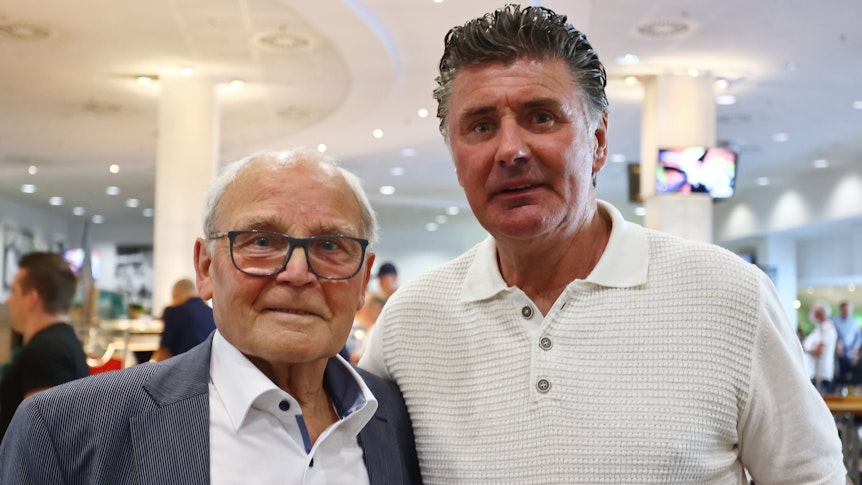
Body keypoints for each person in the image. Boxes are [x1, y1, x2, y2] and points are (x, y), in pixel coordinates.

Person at [359, 4, 845, 483]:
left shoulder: (730, 297)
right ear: (455, 156)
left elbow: (810, 476)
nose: (510, 150)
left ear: (599, 140)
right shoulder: (409, 323)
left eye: (542, 117)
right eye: (481, 126)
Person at [0, 149, 422, 484]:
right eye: (261, 241)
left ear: (363, 279)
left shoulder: (399, 419)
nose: (297, 273)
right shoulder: (64, 431)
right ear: (205, 269)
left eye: (330, 246)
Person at [0, 251, 89, 438]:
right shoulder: (63, 340)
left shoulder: (45, 351)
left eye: (14, 291)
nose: (8, 300)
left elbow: (42, 438)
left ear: (32, 298)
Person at [149, 278, 216, 362]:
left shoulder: (175, 312)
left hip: (183, 370)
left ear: (177, 294)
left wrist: (149, 368)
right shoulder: (212, 313)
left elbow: (164, 352)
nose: (172, 303)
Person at [803, 300, 838, 394]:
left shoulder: (827, 328)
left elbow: (819, 350)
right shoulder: (820, 328)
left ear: (820, 313)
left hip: (823, 374)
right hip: (816, 373)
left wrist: (804, 349)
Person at [346, 290, 387, 364]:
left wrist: (359, 359)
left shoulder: (380, 332)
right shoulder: (371, 331)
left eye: (361, 309)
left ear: (375, 309)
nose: (357, 314)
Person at [833, 300, 860, 383]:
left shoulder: (854, 322)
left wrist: (855, 348)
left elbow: (859, 337)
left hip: (851, 354)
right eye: (844, 310)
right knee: (839, 376)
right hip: (838, 354)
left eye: (848, 310)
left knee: (851, 376)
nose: (846, 311)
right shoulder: (835, 321)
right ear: (841, 310)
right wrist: (837, 343)